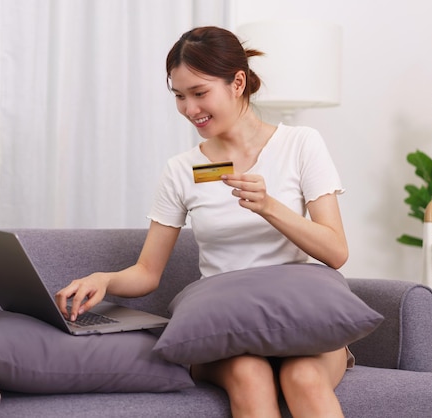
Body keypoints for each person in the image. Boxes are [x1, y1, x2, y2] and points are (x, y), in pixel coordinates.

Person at [55, 26, 350, 418]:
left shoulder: (301, 144)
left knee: (304, 380)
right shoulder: (182, 169)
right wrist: (104, 280)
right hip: (225, 325)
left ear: (238, 82)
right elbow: (147, 272)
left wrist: (269, 207)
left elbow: (336, 252)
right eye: (179, 96)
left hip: (297, 319)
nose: (190, 109)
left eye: (199, 93)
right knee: (250, 375)